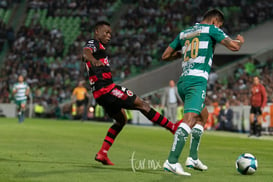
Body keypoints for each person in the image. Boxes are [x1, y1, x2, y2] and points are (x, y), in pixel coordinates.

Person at [81, 21, 182, 165]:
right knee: (142, 105)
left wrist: (92, 60)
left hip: (100, 94)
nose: (109, 35)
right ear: (97, 32)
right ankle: (172, 128)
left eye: (110, 33)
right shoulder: (93, 43)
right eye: (106, 32)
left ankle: (102, 153)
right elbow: (86, 53)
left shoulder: (100, 48)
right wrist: (93, 60)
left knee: (121, 120)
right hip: (107, 89)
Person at [161, 9, 245, 176]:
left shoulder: (185, 33)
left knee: (203, 116)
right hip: (196, 81)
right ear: (215, 21)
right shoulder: (212, 29)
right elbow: (234, 46)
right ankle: (171, 161)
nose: (219, 27)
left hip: (183, 82)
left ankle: (192, 158)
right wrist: (240, 42)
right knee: (190, 119)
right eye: (220, 25)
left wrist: (179, 54)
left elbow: (165, 55)